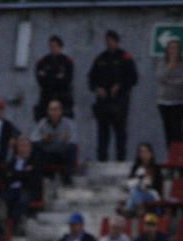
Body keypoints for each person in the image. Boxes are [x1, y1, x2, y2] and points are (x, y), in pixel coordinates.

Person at [88, 30, 138, 162]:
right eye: (107, 41)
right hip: (103, 101)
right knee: (102, 132)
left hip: (119, 101)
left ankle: (120, 160)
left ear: (116, 41)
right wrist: (97, 88)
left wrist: (120, 86)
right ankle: (102, 160)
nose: (109, 43)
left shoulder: (125, 57)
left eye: (111, 40)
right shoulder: (100, 58)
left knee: (120, 131)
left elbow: (133, 78)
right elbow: (91, 79)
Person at [31, 100, 77, 183]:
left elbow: (74, 139)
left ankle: (67, 177)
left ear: (60, 111)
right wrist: (43, 138)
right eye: (51, 110)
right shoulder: (43, 122)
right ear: (48, 111)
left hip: (62, 153)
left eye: (56, 109)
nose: (53, 112)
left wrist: (67, 140)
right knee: (35, 147)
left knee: (72, 148)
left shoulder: (68, 123)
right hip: (47, 154)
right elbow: (33, 138)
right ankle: (38, 177)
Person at [3, 136, 43, 226]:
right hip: (12, 189)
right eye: (20, 146)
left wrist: (15, 174)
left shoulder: (34, 160)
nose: (23, 149)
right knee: (3, 200)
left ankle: (15, 226)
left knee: (21, 201)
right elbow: (7, 176)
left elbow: (32, 179)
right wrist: (23, 173)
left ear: (30, 147)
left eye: (25, 146)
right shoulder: (13, 161)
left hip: (27, 189)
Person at [34, 35, 74, 120]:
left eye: (55, 46)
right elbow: (41, 80)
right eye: (51, 46)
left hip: (63, 98)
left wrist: (49, 77)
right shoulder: (44, 61)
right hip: (46, 98)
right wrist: (56, 77)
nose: (52, 48)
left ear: (60, 47)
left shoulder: (67, 62)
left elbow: (66, 80)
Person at [123, 143, 163, 217]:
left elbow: (157, 187)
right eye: (141, 152)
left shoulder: (156, 168)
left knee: (134, 192)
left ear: (151, 154)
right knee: (134, 190)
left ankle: (130, 209)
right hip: (138, 193)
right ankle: (140, 208)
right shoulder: (135, 167)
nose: (143, 154)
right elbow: (129, 183)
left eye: (145, 151)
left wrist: (146, 186)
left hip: (152, 194)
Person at [156, 39, 183, 147]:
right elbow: (160, 77)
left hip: (178, 102)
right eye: (171, 48)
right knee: (168, 132)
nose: (173, 50)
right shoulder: (163, 62)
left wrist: (169, 82)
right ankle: (171, 158)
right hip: (163, 102)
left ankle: (178, 158)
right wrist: (170, 66)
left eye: (175, 48)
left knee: (177, 131)